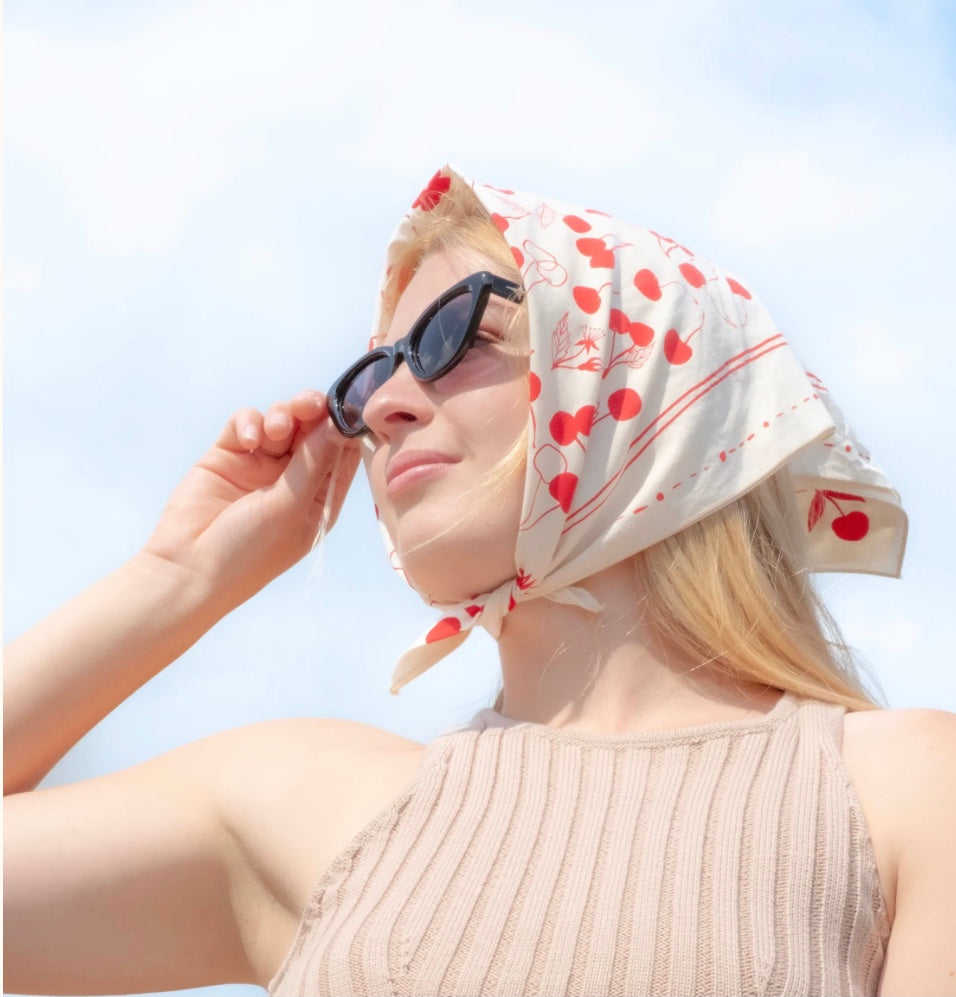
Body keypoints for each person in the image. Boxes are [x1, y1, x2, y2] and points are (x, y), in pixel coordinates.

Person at [4, 166, 955, 997]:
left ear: (642, 377)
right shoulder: (319, 800)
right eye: (370, 373)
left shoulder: (901, 790)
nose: (384, 404)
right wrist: (178, 578)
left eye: (453, 333)